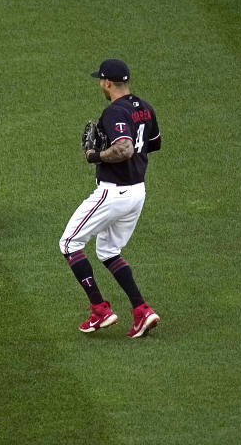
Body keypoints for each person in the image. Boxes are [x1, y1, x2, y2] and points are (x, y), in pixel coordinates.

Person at [59, 59, 162, 338]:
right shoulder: (145, 108)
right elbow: (150, 145)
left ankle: (100, 310)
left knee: (69, 244)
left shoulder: (113, 111)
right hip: (137, 192)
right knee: (108, 251)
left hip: (114, 192)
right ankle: (142, 310)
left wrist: (97, 156)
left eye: (100, 81)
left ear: (106, 82)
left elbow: (125, 148)